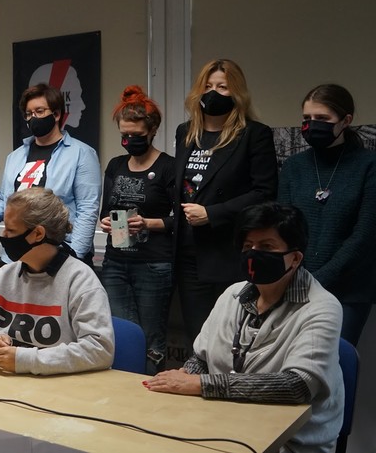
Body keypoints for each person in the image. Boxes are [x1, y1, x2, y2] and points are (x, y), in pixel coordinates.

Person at [145, 202, 344, 453]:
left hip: (288, 442)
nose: (254, 254)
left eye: (267, 247)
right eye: (248, 246)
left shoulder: (321, 307)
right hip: (222, 426)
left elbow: (297, 386)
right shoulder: (233, 294)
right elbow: (202, 358)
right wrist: (185, 375)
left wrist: (200, 384)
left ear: (295, 258)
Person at [173, 59, 278, 342]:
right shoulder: (186, 132)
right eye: (207, 86)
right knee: (197, 337)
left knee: (229, 337)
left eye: (222, 87)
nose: (213, 93)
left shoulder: (254, 134)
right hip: (187, 253)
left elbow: (264, 193)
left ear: (237, 93)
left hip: (226, 252)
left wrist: (213, 213)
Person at [0, 188, 114, 375]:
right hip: (6, 381)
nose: (4, 235)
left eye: (11, 230)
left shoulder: (80, 281)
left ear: (38, 234)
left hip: (60, 386)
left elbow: (100, 350)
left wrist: (26, 359)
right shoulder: (4, 275)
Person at [278, 84, 376, 346]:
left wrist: (319, 279)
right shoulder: (293, 167)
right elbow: (283, 227)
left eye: (322, 118)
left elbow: (365, 235)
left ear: (346, 120)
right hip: (296, 285)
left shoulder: (368, 166)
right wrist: (297, 278)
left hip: (349, 290)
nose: (312, 125)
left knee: (332, 360)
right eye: (307, 118)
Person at [0, 83, 100, 266]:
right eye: (28, 114)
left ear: (56, 114)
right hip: (17, 255)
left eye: (39, 111)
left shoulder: (82, 153)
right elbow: (7, 204)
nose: (33, 118)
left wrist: (74, 256)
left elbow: (87, 210)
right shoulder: (15, 157)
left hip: (61, 253)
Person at [99, 86, 175, 374]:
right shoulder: (116, 165)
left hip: (153, 263)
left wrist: (148, 223)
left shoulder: (168, 166)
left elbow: (181, 219)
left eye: (136, 135)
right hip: (116, 262)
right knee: (122, 334)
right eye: (124, 135)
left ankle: (152, 388)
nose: (129, 141)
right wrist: (105, 222)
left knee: (152, 338)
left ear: (152, 130)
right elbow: (106, 210)